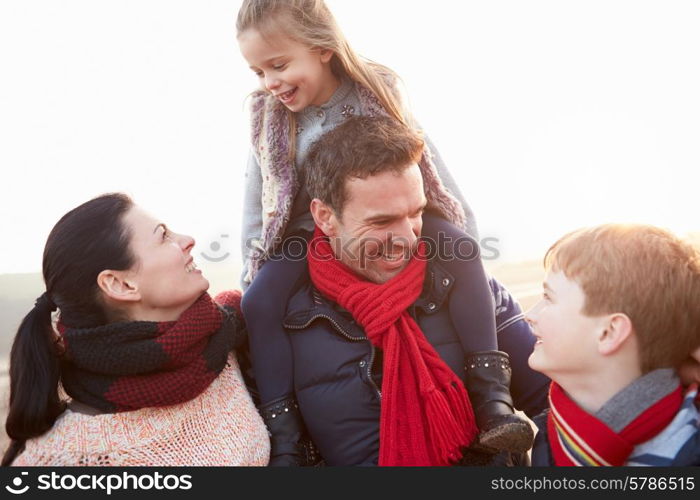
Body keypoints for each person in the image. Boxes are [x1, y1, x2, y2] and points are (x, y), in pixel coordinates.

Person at [235, 0, 533, 463]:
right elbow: (260, 199)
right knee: (258, 300)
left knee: (461, 245)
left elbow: (424, 159)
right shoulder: (268, 117)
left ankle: (491, 397)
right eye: (258, 72)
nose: (271, 82)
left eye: (278, 65)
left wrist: (455, 245)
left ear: (323, 49)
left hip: (400, 204)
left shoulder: (373, 89)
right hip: (307, 228)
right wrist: (256, 266)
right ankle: (286, 438)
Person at [273, 116, 550, 466]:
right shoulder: (287, 322)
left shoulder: (475, 294)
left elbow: (554, 406)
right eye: (381, 221)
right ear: (325, 216)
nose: (407, 238)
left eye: (415, 213)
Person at [2, 193, 270, 466]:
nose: (188, 240)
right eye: (163, 236)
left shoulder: (228, 336)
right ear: (121, 285)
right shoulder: (64, 460)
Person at [526, 224, 700, 466]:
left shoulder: (685, 456)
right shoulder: (555, 437)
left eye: (548, 298)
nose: (529, 314)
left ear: (609, 332)